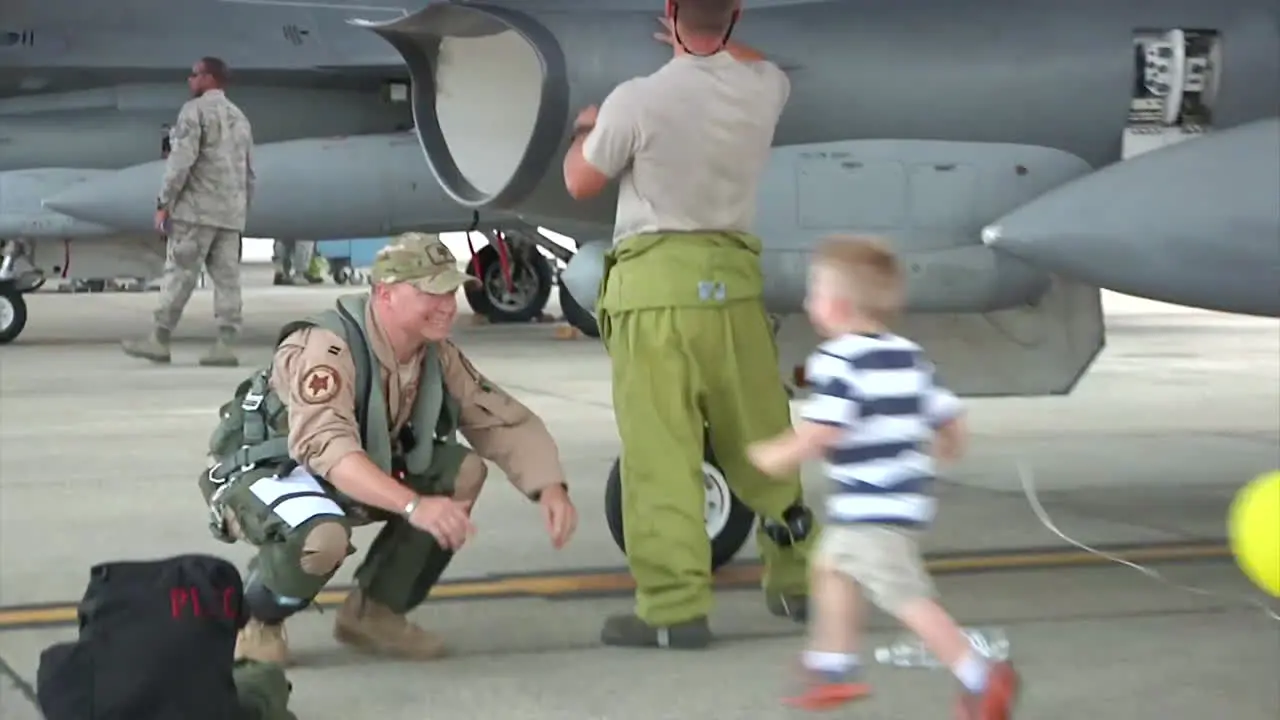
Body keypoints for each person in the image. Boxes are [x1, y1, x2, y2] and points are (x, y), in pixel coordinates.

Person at [197, 232, 579, 666]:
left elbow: (497, 417)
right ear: (385, 293)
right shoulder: (325, 348)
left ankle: (373, 612)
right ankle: (257, 621)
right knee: (322, 539)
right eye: (429, 292)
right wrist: (415, 506)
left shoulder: (432, 351)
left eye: (450, 291)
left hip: (344, 467)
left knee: (461, 472)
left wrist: (550, 488)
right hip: (267, 472)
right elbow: (329, 448)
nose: (448, 305)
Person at [561, 0, 813, 649]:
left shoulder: (637, 100)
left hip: (656, 297)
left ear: (669, 14)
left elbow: (580, 182)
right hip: (733, 291)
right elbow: (756, 62)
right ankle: (797, 580)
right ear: (734, 15)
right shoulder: (764, 88)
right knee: (764, 440)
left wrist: (585, 130)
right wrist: (712, 38)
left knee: (663, 457)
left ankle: (675, 612)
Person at [747, 236, 1021, 718]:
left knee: (907, 599)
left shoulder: (836, 361)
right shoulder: (907, 356)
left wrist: (778, 455)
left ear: (836, 303)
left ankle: (980, 675)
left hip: (869, 506)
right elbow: (947, 416)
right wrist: (950, 443)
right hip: (896, 501)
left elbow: (824, 430)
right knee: (830, 568)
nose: (809, 303)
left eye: (813, 292)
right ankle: (832, 667)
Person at [123, 56, 254, 367]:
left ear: (209, 78)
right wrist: (241, 209)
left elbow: (180, 163)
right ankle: (225, 344)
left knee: (180, 274)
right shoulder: (240, 118)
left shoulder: (193, 113)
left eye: (194, 75)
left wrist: (163, 203)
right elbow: (249, 172)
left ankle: (159, 338)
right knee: (227, 280)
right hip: (230, 215)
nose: (189, 80)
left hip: (195, 213)